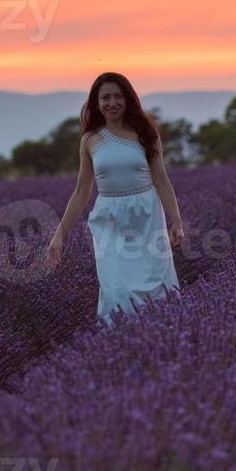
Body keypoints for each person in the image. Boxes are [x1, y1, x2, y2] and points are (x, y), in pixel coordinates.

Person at [47, 72, 184, 324]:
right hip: (109, 220)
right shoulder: (90, 140)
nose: (112, 103)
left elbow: (162, 180)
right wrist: (59, 235)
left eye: (118, 96)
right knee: (116, 289)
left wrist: (176, 222)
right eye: (105, 97)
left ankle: (160, 344)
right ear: (96, 103)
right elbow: (81, 192)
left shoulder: (146, 134)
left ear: (128, 99)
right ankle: (117, 348)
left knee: (155, 288)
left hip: (146, 217)